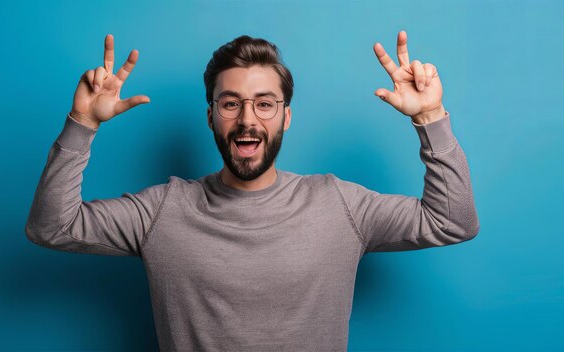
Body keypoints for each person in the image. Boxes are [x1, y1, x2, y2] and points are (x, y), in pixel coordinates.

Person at [25, 31, 479, 351]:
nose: (247, 119)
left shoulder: (338, 204)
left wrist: (431, 117)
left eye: (265, 104)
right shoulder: (162, 209)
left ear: (286, 117)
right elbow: (52, 227)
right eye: (230, 103)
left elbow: (452, 221)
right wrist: (82, 124)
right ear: (210, 117)